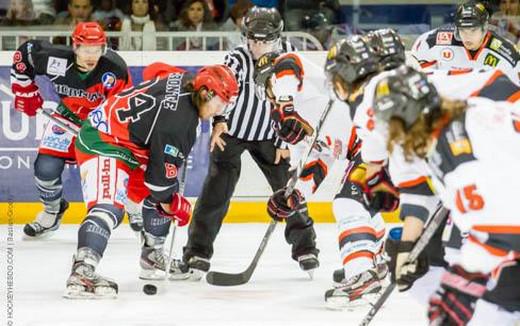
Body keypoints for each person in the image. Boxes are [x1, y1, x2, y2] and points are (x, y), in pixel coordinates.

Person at [64, 65, 239, 299]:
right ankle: (82, 270)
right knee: (111, 206)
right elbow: (158, 183)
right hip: (103, 140)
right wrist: (172, 205)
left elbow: (154, 70)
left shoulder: (186, 78)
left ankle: (152, 256)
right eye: (221, 103)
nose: (222, 108)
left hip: (131, 143)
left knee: (157, 198)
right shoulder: (179, 125)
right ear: (206, 93)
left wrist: (219, 118)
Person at [174, 6, 319, 280]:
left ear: (277, 37)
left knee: (290, 191)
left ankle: (306, 248)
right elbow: (224, 87)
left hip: (271, 135)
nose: (257, 46)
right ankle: (197, 252)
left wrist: (284, 141)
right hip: (233, 132)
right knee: (215, 193)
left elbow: (294, 102)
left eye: (264, 41)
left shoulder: (290, 59)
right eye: (253, 40)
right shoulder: (238, 57)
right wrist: (219, 121)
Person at [373, 67, 520, 325]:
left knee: (495, 305)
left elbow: (502, 229)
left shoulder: (455, 147)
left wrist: (462, 284)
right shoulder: (467, 113)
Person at [10, 22, 131, 238]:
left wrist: (107, 133)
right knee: (45, 169)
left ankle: (131, 205)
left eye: (97, 50)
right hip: (67, 117)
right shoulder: (55, 59)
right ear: (75, 47)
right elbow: (25, 53)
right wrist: (24, 89)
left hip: (100, 125)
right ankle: (52, 212)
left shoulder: (114, 69)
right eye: (86, 49)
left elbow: (121, 109)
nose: (91, 56)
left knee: (112, 167)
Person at [411, 1, 519, 85]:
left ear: (485, 28)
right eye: (462, 30)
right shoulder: (434, 40)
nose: (467, 36)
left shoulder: (507, 53)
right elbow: (416, 64)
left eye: (473, 30)